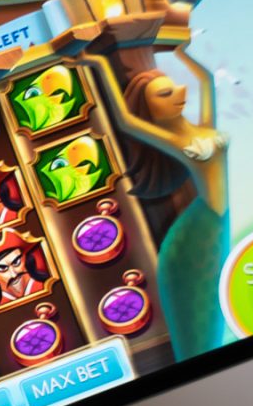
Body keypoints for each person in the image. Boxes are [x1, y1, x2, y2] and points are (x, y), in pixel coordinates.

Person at [79, 48, 229, 359]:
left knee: (214, 307)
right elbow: (127, 122)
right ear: (151, 109)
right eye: (165, 94)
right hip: (198, 232)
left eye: (174, 87)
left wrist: (182, 52)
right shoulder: (176, 141)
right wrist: (99, 63)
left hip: (211, 219)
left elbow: (207, 80)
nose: (180, 93)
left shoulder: (203, 126)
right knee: (202, 317)